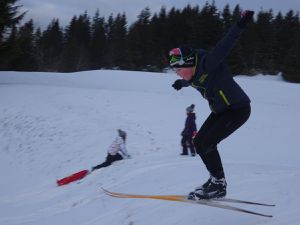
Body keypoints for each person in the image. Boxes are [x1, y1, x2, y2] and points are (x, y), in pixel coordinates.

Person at [168, 10, 254, 200]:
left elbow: (226, 44)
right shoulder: (191, 74)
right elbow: (190, 80)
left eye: (180, 71)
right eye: (176, 72)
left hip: (238, 109)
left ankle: (219, 185)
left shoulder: (208, 63)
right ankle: (215, 180)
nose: (179, 74)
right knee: (199, 142)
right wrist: (180, 83)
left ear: (190, 64)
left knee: (207, 142)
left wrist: (241, 23)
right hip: (221, 110)